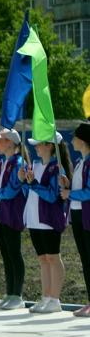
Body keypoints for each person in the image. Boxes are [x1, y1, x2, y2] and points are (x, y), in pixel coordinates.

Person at [23, 131, 71, 314]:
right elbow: (30, 191)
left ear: (49, 146)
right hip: (34, 218)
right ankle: (45, 297)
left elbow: (52, 196)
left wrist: (33, 183)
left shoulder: (57, 169)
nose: (35, 147)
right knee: (43, 259)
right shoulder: (34, 165)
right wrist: (24, 181)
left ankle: (55, 299)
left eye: (39, 143)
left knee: (52, 257)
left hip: (49, 219)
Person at [0, 128, 29, 310]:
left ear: (10, 143)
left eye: (0, 141)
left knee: (14, 254)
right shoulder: (2, 163)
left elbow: (11, 191)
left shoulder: (19, 163)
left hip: (11, 214)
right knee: (5, 254)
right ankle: (9, 293)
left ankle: (17, 295)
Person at [62, 123, 90, 317]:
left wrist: (70, 193)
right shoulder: (81, 162)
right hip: (79, 215)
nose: (72, 141)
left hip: (87, 216)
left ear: (83, 141)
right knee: (85, 260)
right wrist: (69, 185)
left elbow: (88, 192)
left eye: (75, 138)